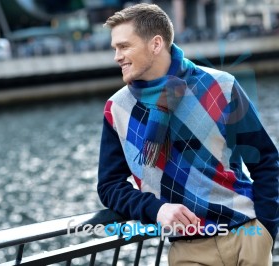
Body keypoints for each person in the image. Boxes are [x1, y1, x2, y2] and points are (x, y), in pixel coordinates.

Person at [97, 3, 279, 265]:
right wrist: (156, 209)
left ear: (156, 44)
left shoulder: (222, 85)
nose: (117, 56)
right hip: (188, 251)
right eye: (115, 48)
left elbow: (265, 160)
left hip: (247, 237)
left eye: (124, 46)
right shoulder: (117, 109)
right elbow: (109, 186)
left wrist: (266, 230)